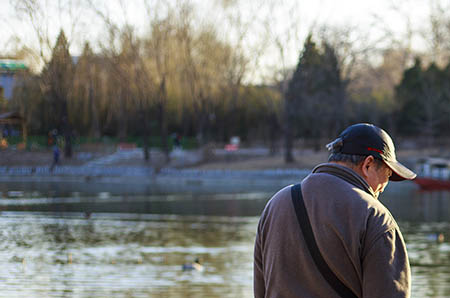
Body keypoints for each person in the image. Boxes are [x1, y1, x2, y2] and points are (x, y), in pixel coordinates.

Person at [254, 123, 416, 298]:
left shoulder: (276, 204)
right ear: (368, 164)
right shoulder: (375, 217)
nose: (384, 186)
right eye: (388, 174)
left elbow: (261, 290)